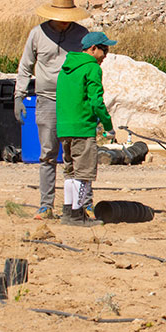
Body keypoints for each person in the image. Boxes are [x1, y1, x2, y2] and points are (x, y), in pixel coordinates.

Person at [14, 0, 89, 219]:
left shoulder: (82, 35)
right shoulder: (37, 34)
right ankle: (46, 204)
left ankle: (81, 204)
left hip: (74, 102)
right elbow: (26, 65)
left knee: (75, 154)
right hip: (46, 98)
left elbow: (91, 66)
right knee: (47, 153)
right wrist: (19, 95)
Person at [55, 31, 116, 227]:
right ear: (93, 49)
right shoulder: (92, 68)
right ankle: (77, 214)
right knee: (84, 174)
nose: (105, 54)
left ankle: (68, 212)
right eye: (104, 49)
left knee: (70, 172)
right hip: (83, 128)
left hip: (64, 127)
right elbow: (96, 101)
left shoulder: (66, 68)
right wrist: (108, 126)